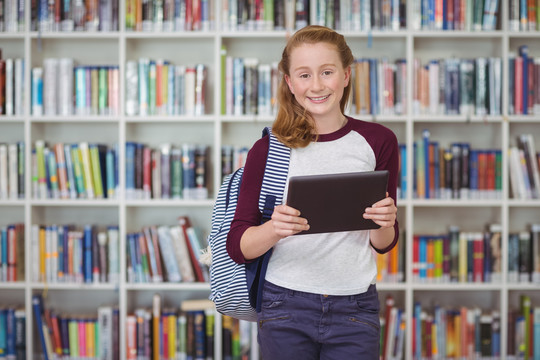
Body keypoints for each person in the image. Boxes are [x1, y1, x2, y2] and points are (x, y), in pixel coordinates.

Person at [226, 25, 399, 359]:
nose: (317, 85)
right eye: (304, 75)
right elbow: (238, 247)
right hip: (284, 303)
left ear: (346, 75)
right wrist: (275, 229)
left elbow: (383, 243)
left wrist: (386, 221)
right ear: (290, 83)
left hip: (355, 305)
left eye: (327, 72)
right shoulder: (269, 150)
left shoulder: (378, 141)